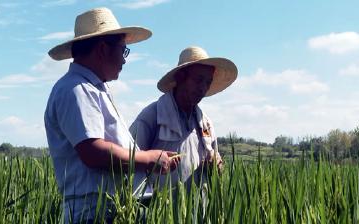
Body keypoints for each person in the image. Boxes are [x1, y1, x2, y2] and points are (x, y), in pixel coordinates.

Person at [44, 7, 179, 224]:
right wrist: (148, 159)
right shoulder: (76, 89)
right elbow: (93, 151)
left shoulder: (92, 89)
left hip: (109, 208)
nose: (124, 60)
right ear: (103, 49)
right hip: (95, 211)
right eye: (123, 50)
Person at [130, 46, 237, 189]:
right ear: (180, 77)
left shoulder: (206, 124)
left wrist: (216, 165)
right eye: (198, 80)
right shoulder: (152, 117)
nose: (203, 88)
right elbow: (129, 164)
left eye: (207, 82)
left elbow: (216, 167)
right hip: (160, 208)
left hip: (198, 209)